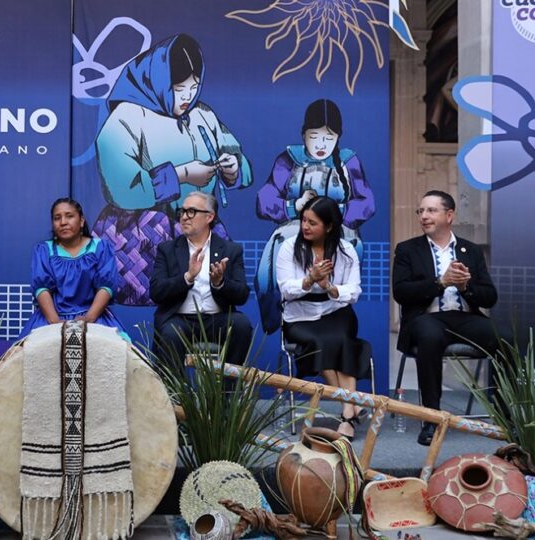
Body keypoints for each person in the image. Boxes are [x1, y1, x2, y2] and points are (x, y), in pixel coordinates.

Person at [93, 33, 253, 307]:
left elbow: (236, 155)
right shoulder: (126, 118)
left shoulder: (203, 115)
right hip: (139, 240)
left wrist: (233, 168)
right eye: (179, 89)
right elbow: (122, 188)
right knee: (153, 308)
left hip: (199, 230)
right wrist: (182, 174)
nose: (188, 97)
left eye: (194, 87)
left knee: (211, 303)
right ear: (157, 82)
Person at [392, 190, 498, 446]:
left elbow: (490, 297)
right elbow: (401, 292)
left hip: (464, 318)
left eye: (431, 210)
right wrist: (440, 282)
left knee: (504, 338)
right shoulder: (408, 250)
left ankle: (506, 416)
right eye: (421, 211)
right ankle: (432, 418)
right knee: (430, 336)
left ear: (449, 215)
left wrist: (465, 287)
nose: (424, 216)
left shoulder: (470, 250)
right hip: (426, 319)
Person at [275, 197, 370, 440]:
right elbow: (286, 290)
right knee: (323, 342)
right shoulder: (288, 248)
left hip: (335, 311)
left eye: (312, 223)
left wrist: (329, 286)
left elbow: (354, 292)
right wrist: (309, 280)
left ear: (328, 226)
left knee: (343, 339)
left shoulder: (345, 251)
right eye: (303, 220)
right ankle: (351, 407)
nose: (305, 226)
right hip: (299, 317)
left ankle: (347, 415)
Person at [150, 191, 252, 368]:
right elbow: (156, 292)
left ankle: (226, 385)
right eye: (182, 211)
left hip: (217, 319)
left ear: (209, 217)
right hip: (180, 319)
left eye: (191, 212)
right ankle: (175, 386)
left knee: (241, 325)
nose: (184, 217)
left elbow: (242, 295)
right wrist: (187, 277)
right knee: (170, 333)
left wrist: (220, 283)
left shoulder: (230, 250)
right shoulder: (167, 249)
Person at [256, 99, 375, 249]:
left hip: (337, 232)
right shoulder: (289, 159)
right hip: (294, 232)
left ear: (338, 137)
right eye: (314, 137)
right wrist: (296, 205)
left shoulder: (348, 161)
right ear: (303, 135)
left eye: (329, 138)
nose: (321, 144)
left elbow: (367, 203)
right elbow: (264, 200)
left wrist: (332, 211)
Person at [19, 198, 125, 340]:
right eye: (57, 218)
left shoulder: (101, 247)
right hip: (51, 318)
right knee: (26, 350)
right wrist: (55, 323)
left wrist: (88, 319)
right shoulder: (44, 250)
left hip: (95, 317)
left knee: (118, 349)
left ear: (81, 221)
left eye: (69, 216)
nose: (63, 222)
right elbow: (41, 288)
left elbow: (106, 287)